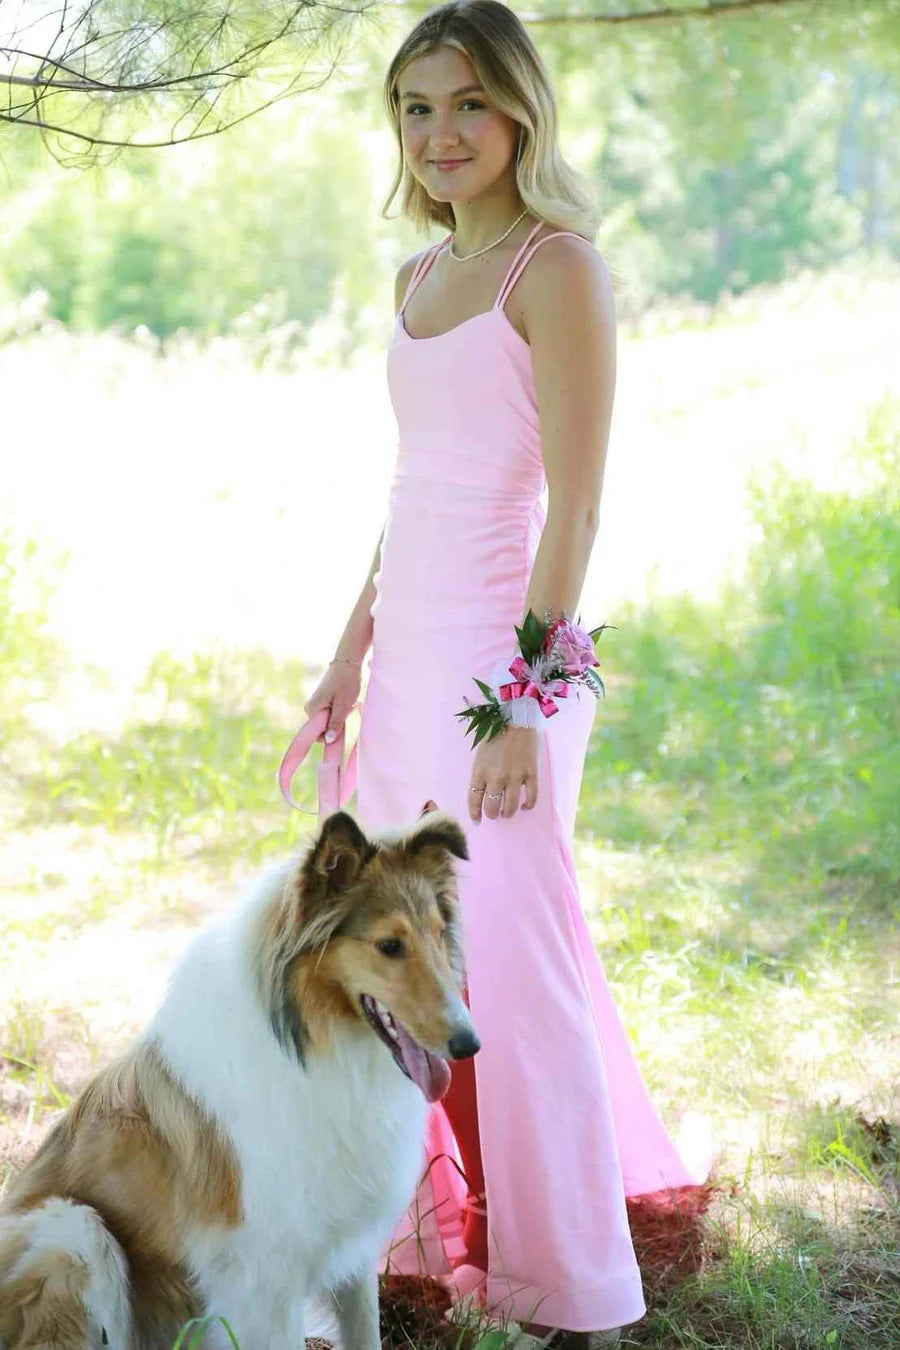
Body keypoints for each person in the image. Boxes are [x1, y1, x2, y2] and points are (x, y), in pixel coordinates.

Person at [303, 3, 706, 1345]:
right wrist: (349, 654)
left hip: (510, 664)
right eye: (417, 108)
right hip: (408, 661)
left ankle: (568, 1279)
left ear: (521, 110)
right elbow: (412, 492)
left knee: (516, 960)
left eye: (468, 102)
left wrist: (527, 703)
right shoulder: (416, 281)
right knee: (403, 947)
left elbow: (575, 506)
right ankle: (438, 1227)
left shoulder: (559, 268)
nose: (442, 133)